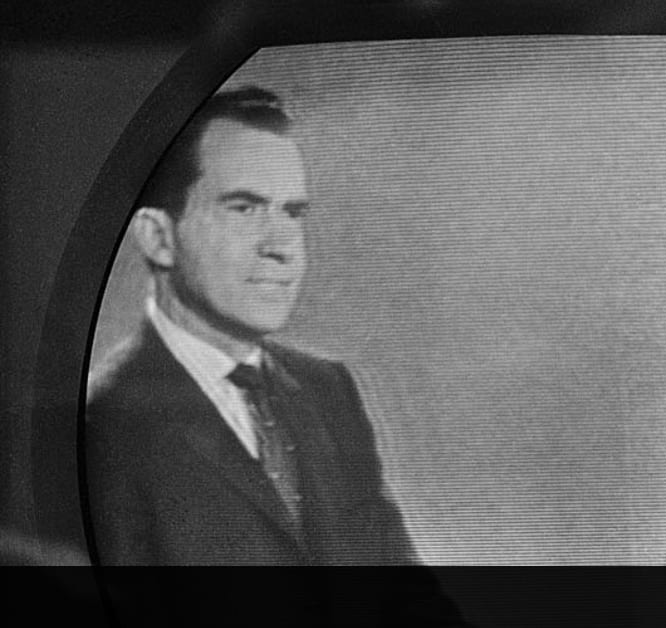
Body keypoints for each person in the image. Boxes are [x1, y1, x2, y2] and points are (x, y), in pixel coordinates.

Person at [85, 86, 428, 568]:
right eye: (244, 208)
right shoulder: (103, 423)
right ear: (159, 237)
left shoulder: (328, 390)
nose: (282, 246)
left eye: (293, 212)